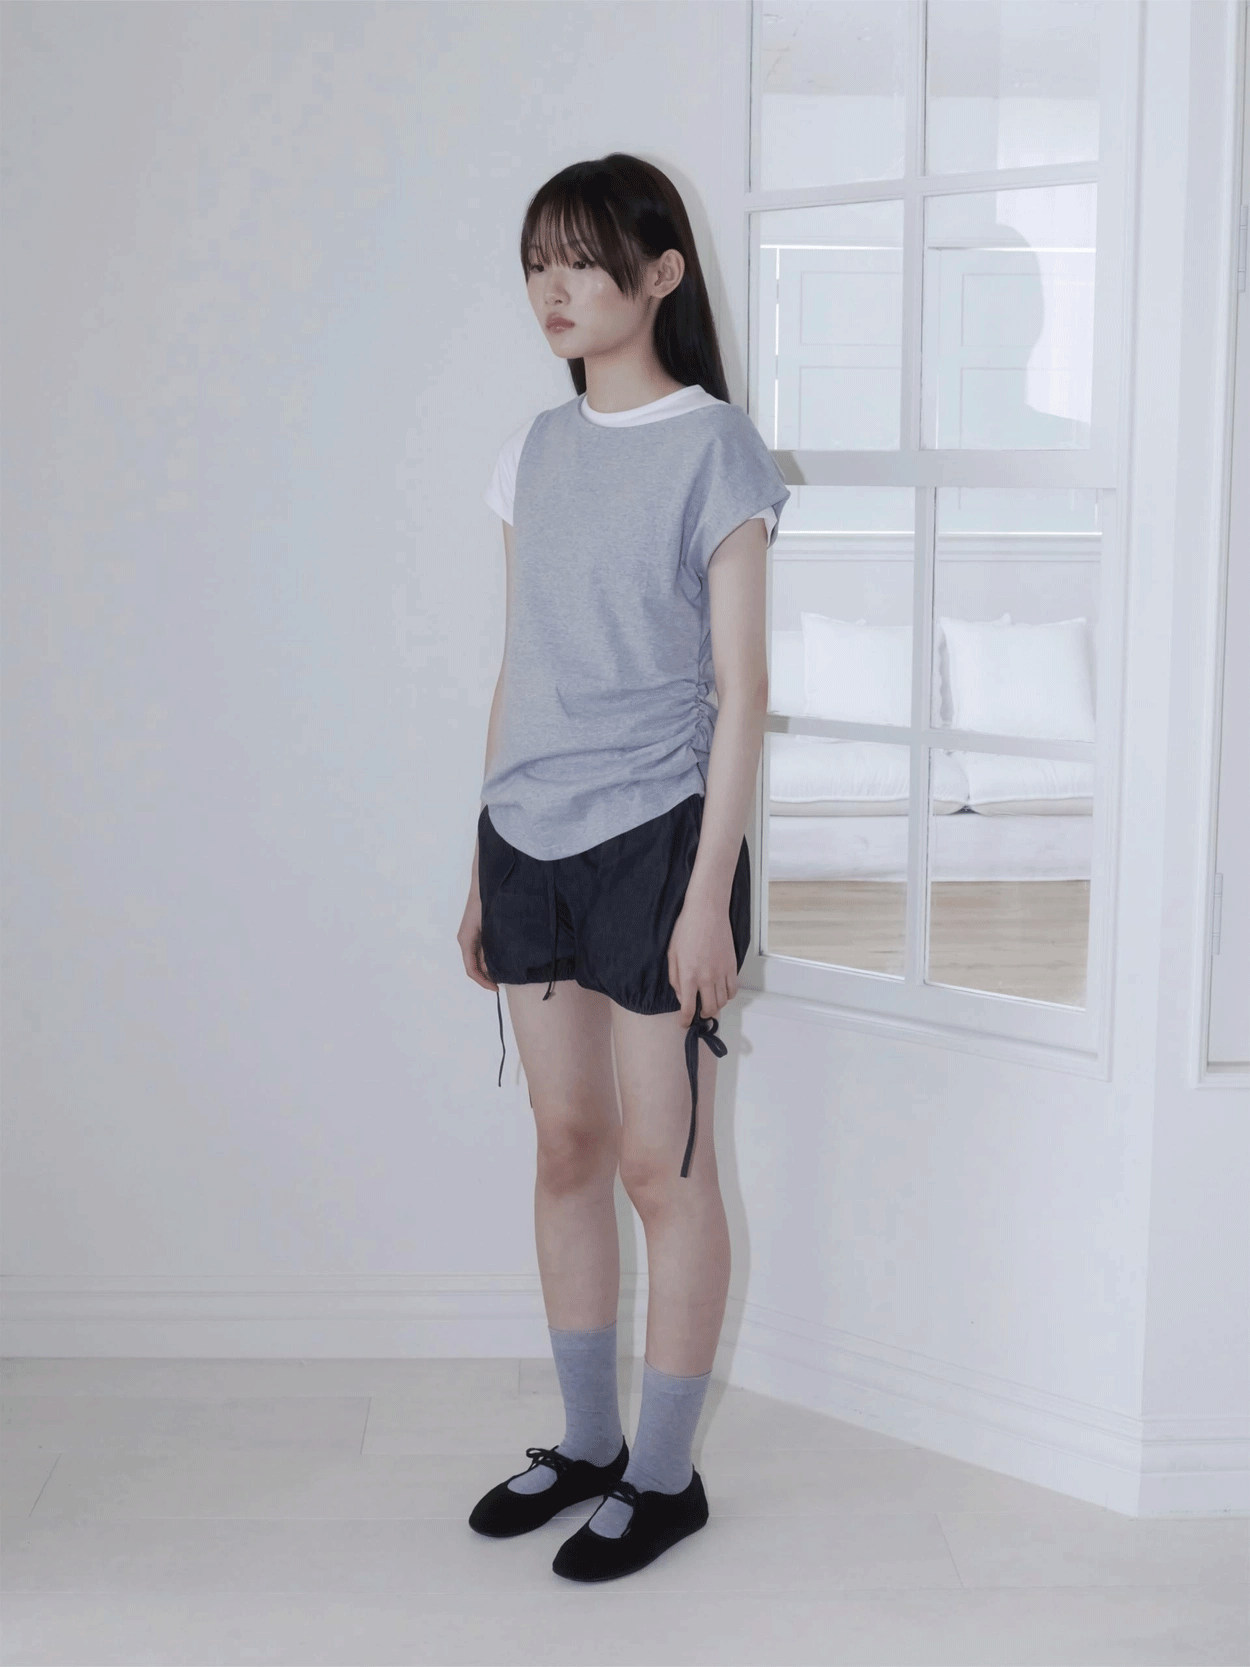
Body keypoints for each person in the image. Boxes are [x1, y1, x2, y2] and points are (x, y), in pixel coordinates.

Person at [457, 153, 790, 1583]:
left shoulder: (715, 447)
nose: (554, 286)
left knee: (662, 1165)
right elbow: (519, 662)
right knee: (565, 1148)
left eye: (583, 260)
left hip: (656, 838)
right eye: (538, 260)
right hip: (525, 839)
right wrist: (478, 862)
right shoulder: (530, 452)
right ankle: (588, 1443)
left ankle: (663, 1475)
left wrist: (709, 896)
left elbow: (742, 691)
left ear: (659, 276)